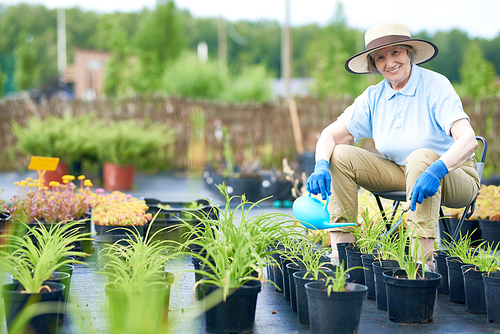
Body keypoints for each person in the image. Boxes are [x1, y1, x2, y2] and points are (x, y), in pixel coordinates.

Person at [306, 22, 479, 268]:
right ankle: (342, 254)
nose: (389, 62)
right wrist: (321, 165)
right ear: (374, 65)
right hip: (402, 172)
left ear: (409, 53)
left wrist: (437, 169)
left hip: (452, 175)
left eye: (395, 52)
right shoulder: (374, 97)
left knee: (420, 157)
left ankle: (422, 264)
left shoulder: (435, 85)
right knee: (338, 154)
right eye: (380, 57)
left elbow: (468, 139)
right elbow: (329, 135)